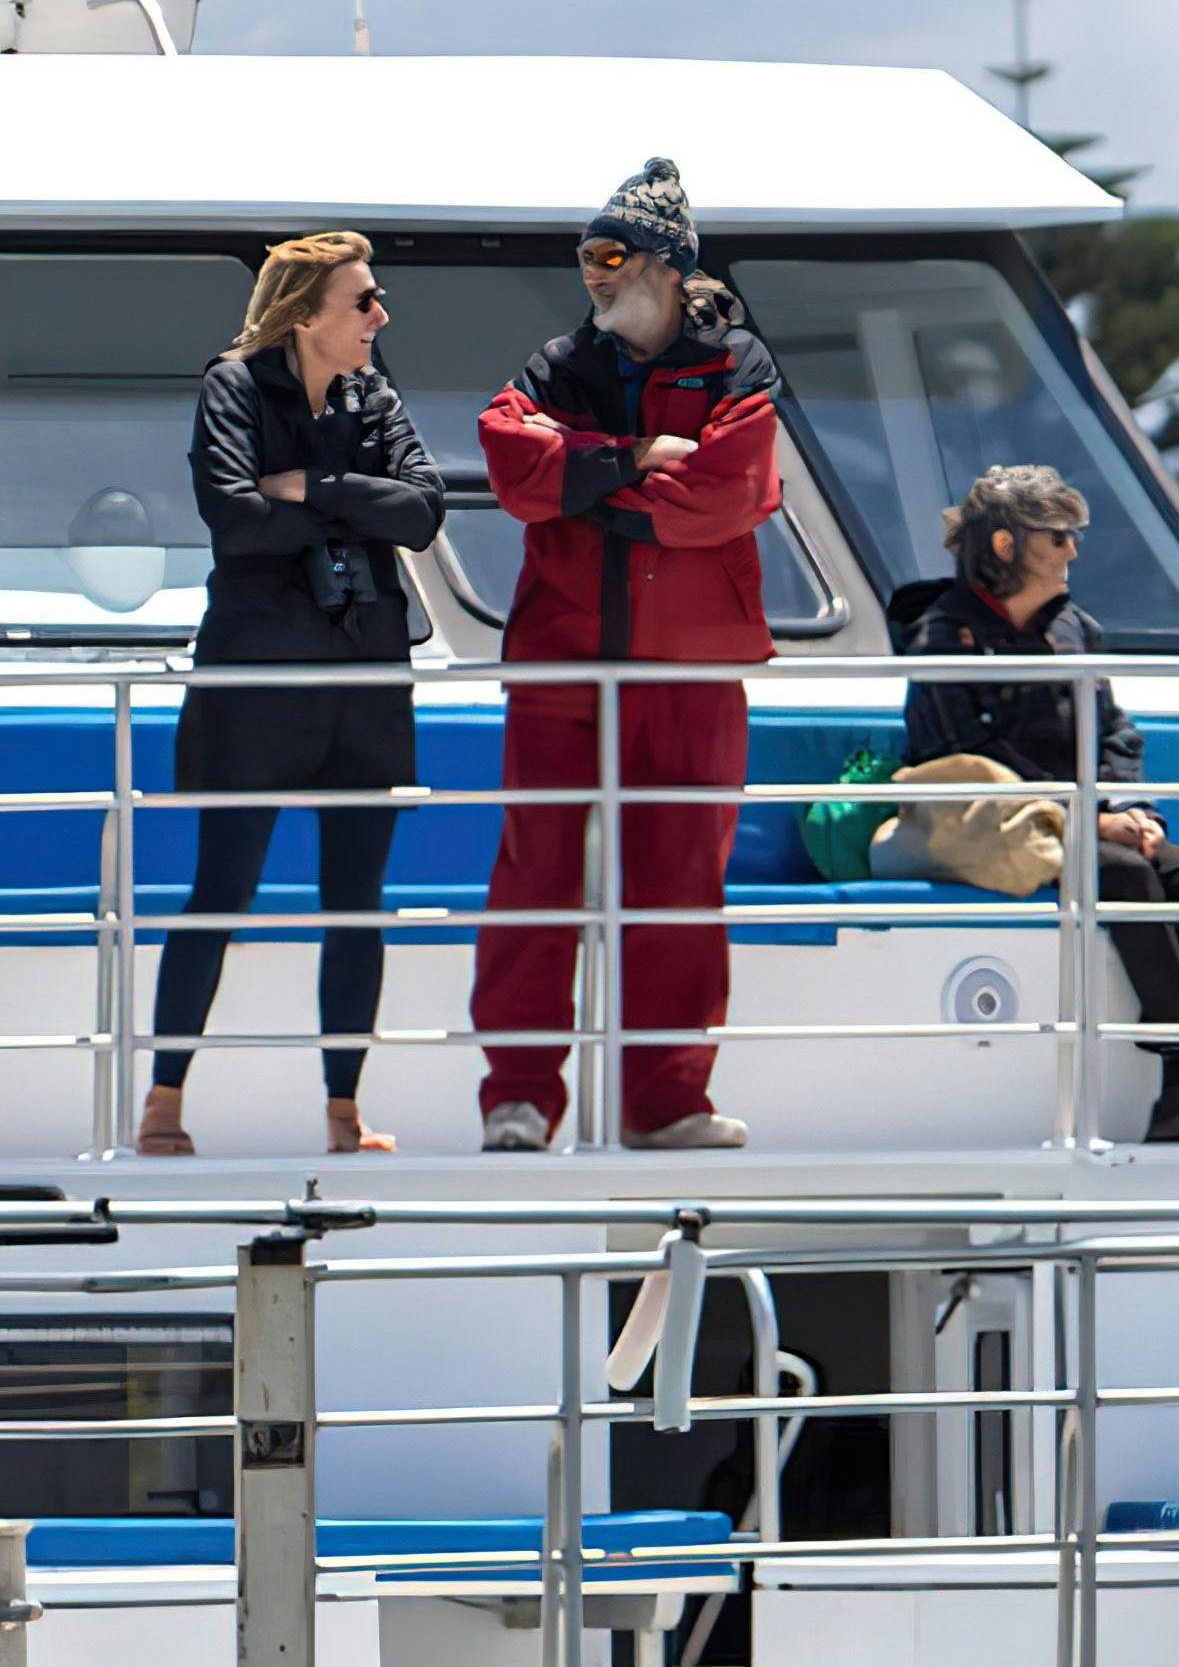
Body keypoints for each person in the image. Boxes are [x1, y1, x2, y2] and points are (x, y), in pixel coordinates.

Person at [471, 158, 786, 1154]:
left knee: (682, 885)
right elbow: (509, 465)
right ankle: (518, 1099)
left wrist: (590, 494)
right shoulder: (554, 365)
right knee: (534, 879)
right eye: (585, 257)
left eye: (609, 255)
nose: (593, 276)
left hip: (689, 676)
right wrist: (630, 463)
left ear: (665, 262)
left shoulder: (737, 365)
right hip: (563, 665)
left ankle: (665, 1105)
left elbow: (733, 494)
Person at [143, 231, 440, 1160]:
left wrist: (315, 486)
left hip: (365, 680)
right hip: (257, 683)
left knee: (358, 899)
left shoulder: (373, 393)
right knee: (220, 890)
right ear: (306, 312)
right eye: (363, 302)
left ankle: (345, 1114)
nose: (379, 316)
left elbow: (424, 511)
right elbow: (232, 519)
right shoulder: (233, 385)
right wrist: (354, 504)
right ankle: (162, 1103)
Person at [884, 463, 1179, 1144]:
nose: (1074, 550)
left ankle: (1177, 1095)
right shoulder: (944, 638)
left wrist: (1137, 810)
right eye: (1058, 536)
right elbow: (970, 764)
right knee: (1123, 875)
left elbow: (1117, 734)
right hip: (985, 829)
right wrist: (1092, 820)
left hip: (1080, 820)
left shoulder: (1077, 632)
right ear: (1006, 545)